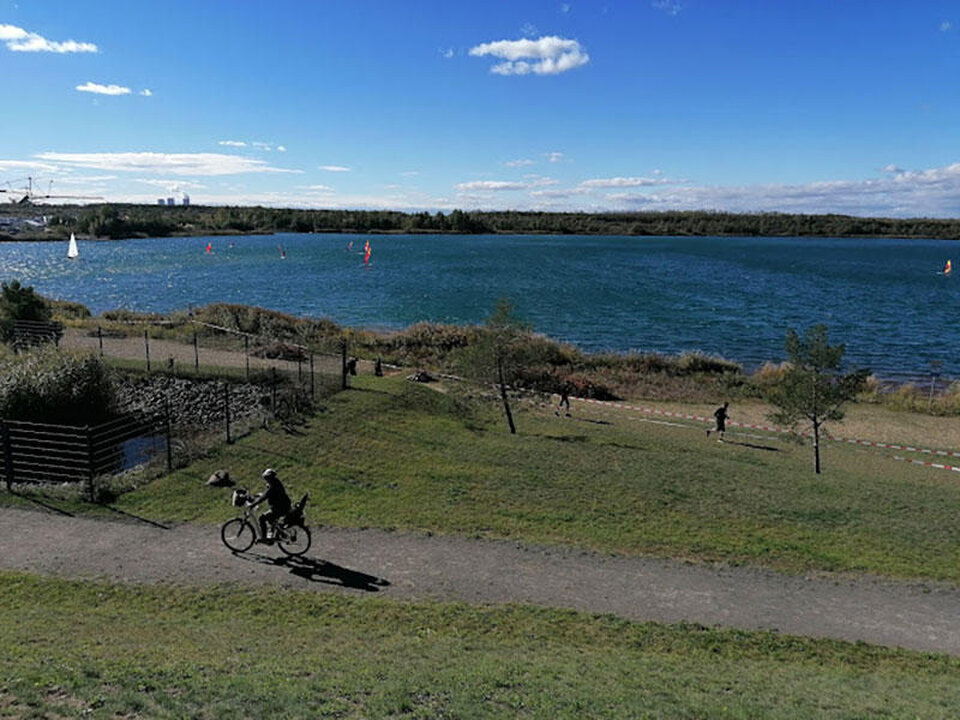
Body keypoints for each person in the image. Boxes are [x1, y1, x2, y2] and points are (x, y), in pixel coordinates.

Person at [249, 468, 292, 543]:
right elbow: (266, 494)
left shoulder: (273, 486)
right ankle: (278, 534)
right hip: (281, 506)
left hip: (280, 508)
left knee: (262, 518)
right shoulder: (275, 482)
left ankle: (264, 538)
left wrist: (253, 504)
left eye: (266, 478)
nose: (266, 480)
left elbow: (265, 496)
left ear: (270, 478)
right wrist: (258, 495)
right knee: (271, 520)